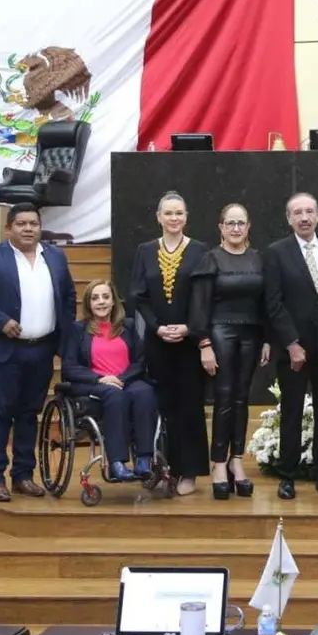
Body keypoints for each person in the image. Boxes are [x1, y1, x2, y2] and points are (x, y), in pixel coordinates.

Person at [0, 203, 76, 503]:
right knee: (1, 415)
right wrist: (0, 321)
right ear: (8, 228)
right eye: (21, 224)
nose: (28, 229)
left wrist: (65, 343)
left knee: (29, 415)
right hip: (3, 353)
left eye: (33, 224)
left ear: (40, 227)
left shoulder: (56, 256)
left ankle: (23, 475)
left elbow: (68, 297)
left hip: (41, 351)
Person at [128, 191, 210, 497]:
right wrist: (157, 327)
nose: (174, 219)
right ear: (158, 217)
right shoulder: (145, 250)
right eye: (168, 213)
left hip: (189, 343)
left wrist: (190, 328)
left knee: (189, 406)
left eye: (179, 213)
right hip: (157, 342)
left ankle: (188, 472)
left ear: (186, 218)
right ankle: (163, 468)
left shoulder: (201, 250)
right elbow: (138, 295)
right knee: (162, 407)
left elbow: (205, 296)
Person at [263, 192, 318, 500]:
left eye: (309, 211)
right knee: (292, 412)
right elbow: (273, 303)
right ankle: (287, 475)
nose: (304, 217)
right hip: (292, 350)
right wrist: (291, 343)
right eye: (298, 213)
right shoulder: (275, 252)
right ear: (289, 218)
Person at [189, 203, 270, 500]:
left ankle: (238, 461)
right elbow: (199, 307)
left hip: (252, 334)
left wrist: (267, 339)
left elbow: (265, 304)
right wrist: (205, 344)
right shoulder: (210, 259)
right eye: (230, 223)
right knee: (223, 398)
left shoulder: (259, 259)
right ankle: (219, 464)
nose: (236, 228)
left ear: (248, 227)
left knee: (242, 399)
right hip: (220, 333)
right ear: (220, 227)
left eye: (241, 223)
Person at [59, 281, 157, 481]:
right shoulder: (78, 329)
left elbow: (139, 360)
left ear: (113, 301)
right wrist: (101, 378)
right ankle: (117, 463)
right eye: (95, 298)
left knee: (145, 392)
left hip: (126, 379)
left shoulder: (127, 326)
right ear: (88, 304)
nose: (101, 302)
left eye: (105, 297)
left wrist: (121, 379)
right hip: (95, 383)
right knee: (115, 396)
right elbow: (69, 367)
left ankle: (144, 459)